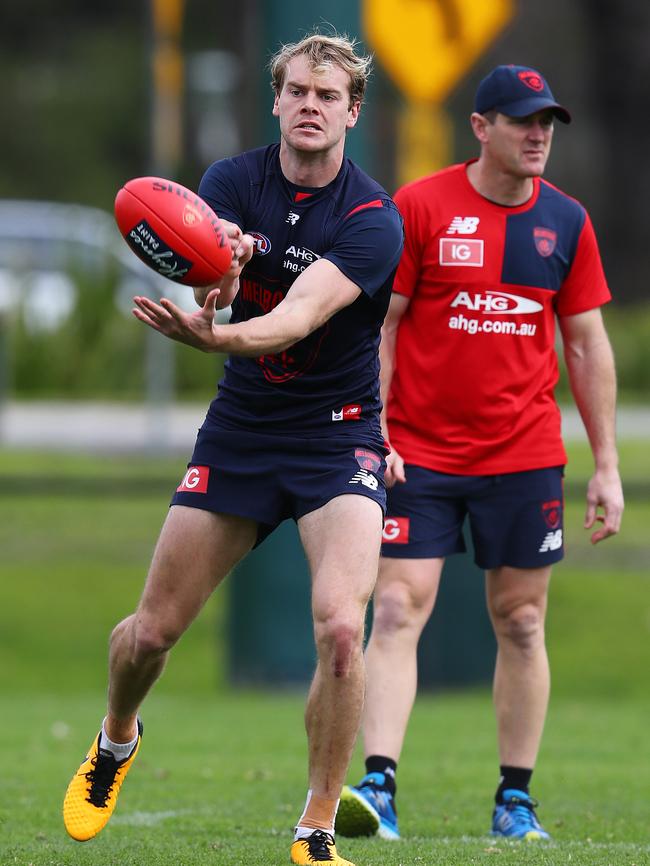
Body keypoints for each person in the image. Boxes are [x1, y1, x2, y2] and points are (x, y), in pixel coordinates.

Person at [62, 32, 403, 866]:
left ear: (353, 112)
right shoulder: (229, 182)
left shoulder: (371, 219)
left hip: (338, 436)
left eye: (330, 96)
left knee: (340, 630)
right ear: (278, 102)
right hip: (244, 429)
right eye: (298, 92)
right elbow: (209, 259)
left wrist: (219, 336)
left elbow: (297, 316)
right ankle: (114, 741)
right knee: (149, 635)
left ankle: (316, 826)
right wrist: (222, 266)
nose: (312, 106)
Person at [335, 64, 624, 842]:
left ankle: (515, 800)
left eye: (548, 124)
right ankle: (380, 787)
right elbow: (384, 326)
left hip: (523, 454)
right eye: (524, 121)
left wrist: (606, 465)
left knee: (522, 621)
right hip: (418, 452)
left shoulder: (566, 222)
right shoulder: (421, 207)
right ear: (481, 127)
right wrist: (376, 430)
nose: (539, 136)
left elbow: (588, 346)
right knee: (394, 607)